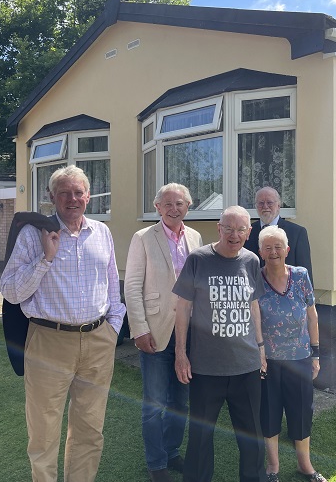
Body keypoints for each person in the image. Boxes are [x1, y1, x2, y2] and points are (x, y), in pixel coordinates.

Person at [0, 165, 126, 482]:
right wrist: (46, 259)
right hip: (48, 341)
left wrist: (113, 324)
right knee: (43, 430)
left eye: (78, 192)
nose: (72, 199)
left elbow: (112, 283)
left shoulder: (102, 233)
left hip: (98, 340)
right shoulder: (33, 235)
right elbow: (11, 292)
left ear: (89, 196)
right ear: (51, 197)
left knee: (90, 428)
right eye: (64, 193)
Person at [173, 206, 268, 482]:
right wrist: (181, 352)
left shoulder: (251, 261)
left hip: (246, 367)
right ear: (219, 228)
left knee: (252, 437)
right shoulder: (198, 259)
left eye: (241, 230)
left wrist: (261, 349)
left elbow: (254, 306)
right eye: (229, 228)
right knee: (201, 438)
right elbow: (183, 307)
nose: (234, 235)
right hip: (206, 368)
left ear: (249, 233)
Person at [124, 183, 203, 482]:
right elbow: (132, 286)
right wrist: (139, 329)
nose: (174, 208)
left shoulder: (195, 237)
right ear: (157, 207)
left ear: (188, 206)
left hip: (190, 333)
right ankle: (156, 463)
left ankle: (171, 453)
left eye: (180, 203)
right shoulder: (143, 237)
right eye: (167, 203)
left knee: (180, 402)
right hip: (155, 331)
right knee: (154, 403)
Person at [257, 226, 324, 482]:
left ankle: (304, 465)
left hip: (299, 357)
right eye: (268, 247)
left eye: (278, 247)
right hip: (268, 361)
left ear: (287, 250)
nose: (273, 252)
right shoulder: (256, 278)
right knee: (270, 412)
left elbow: (312, 315)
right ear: (261, 251)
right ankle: (273, 467)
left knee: (301, 411)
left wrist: (316, 354)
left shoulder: (300, 275)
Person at [244, 186, 313, 283]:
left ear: (278, 205)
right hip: (255, 294)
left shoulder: (297, 233)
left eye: (269, 202)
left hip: (287, 293)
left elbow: (305, 271)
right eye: (261, 203)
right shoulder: (247, 233)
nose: (265, 206)